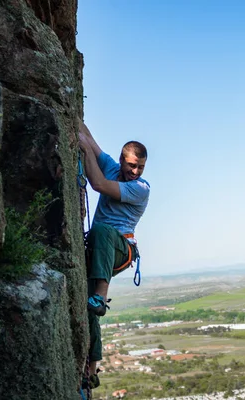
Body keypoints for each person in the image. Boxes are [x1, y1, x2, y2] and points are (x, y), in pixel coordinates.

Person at [78, 120, 150, 382]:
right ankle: (92, 367)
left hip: (121, 248)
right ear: (122, 160)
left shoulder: (140, 189)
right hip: (101, 248)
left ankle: (102, 296)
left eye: (140, 166)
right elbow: (89, 137)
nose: (135, 171)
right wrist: (71, 117)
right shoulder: (111, 166)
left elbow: (97, 184)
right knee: (87, 305)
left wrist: (84, 152)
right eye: (131, 165)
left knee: (103, 230)